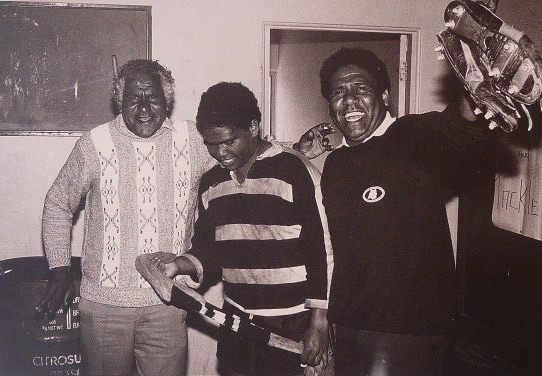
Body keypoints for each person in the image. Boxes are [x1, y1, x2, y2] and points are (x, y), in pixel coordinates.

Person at [35, 59, 330, 375]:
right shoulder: (93, 144)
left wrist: (295, 148)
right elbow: (57, 205)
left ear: (168, 101)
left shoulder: (193, 139)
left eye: (154, 98)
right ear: (118, 99)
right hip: (106, 306)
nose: (144, 108)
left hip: (169, 303)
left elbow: (244, 149)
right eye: (134, 98)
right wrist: (60, 267)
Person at [316, 47, 494, 376]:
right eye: (338, 92)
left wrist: (476, 87)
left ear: (384, 95)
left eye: (361, 88)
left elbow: (456, 126)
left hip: (408, 329)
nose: (350, 100)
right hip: (349, 323)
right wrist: (327, 319)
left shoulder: (411, 137)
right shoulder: (335, 164)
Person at [157, 82, 333, 376]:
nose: (220, 152)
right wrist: (179, 265)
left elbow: (323, 249)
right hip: (236, 322)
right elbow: (208, 249)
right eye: (211, 143)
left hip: (292, 323)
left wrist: (319, 322)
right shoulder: (211, 182)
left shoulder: (296, 171)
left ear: (253, 127)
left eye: (228, 141)